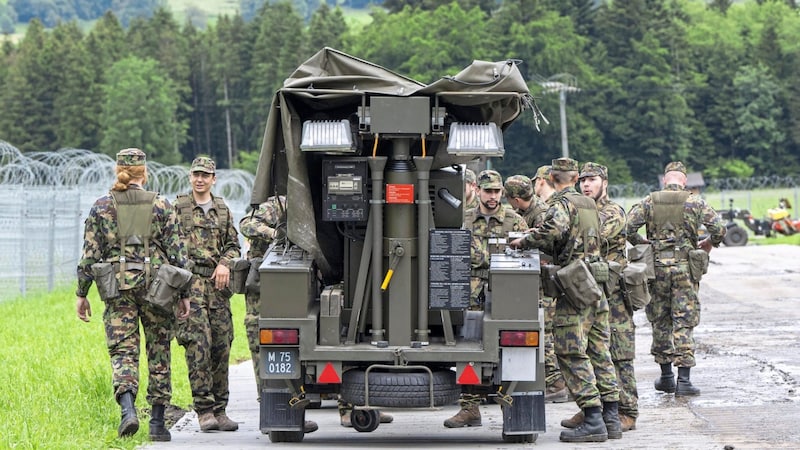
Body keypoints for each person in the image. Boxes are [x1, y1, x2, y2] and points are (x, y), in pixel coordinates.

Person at [75, 148, 191, 442]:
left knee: (123, 351)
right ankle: (157, 424)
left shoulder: (102, 206)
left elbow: (90, 255)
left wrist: (82, 293)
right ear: (144, 172)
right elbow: (178, 255)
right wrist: (185, 294)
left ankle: (128, 411)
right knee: (159, 352)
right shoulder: (162, 205)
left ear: (118, 171)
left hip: (118, 290)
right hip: (157, 289)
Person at [510, 158, 620, 443]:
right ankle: (611, 416)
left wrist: (525, 241)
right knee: (599, 350)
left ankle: (593, 417)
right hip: (597, 283)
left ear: (549, 179)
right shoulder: (590, 205)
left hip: (574, 285)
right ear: (574, 177)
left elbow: (552, 232)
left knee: (570, 351)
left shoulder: (563, 203)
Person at [626, 161, 725, 397]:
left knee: (660, 320)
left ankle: (666, 377)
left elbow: (627, 227)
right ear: (684, 181)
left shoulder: (650, 201)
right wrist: (709, 243)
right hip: (684, 270)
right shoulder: (694, 201)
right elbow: (719, 230)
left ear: (664, 180)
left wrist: (642, 242)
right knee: (684, 321)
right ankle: (684, 380)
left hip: (656, 269)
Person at [445, 169, 526, 428]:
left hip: (504, 293)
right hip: (470, 293)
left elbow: (528, 254)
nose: (492, 197)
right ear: (477, 190)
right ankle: (470, 408)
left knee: (510, 352)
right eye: (488, 191)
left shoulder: (514, 221)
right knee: (468, 348)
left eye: (496, 192)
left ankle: (510, 406)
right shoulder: (464, 219)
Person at [562, 162, 638, 432]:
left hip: (614, 293)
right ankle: (596, 408)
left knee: (619, 353)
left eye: (592, 180)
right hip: (592, 293)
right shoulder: (584, 210)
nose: (586, 185)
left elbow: (590, 234)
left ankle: (627, 411)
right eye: (582, 180)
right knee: (592, 352)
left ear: (604, 182)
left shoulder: (612, 212)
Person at [239, 195, 321, 434]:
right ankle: (273, 410)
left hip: (297, 286)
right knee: (266, 349)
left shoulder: (313, 206)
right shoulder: (278, 206)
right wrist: (275, 234)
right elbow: (247, 223)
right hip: (264, 288)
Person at [174, 156, 242, 432]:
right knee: (198, 346)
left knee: (221, 346)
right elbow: (168, 245)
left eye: (205, 175)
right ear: (190, 177)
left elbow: (234, 245)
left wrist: (226, 263)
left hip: (217, 288)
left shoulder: (222, 211)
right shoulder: (178, 208)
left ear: (214, 179)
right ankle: (203, 410)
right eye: (196, 174)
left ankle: (220, 409)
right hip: (190, 287)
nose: (200, 179)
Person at [530, 164, 569, 403]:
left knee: (548, 333)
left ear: (542, 181)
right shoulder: (555, 207)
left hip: (551, 279)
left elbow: (550, 240)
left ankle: (556, 382)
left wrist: (526, 240)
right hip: (554, 278)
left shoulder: (551, 209)